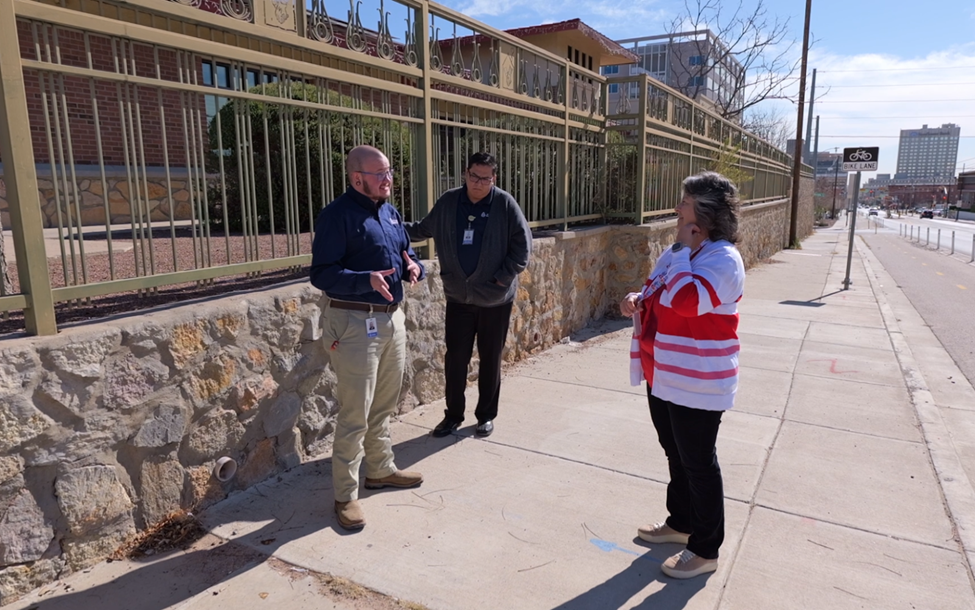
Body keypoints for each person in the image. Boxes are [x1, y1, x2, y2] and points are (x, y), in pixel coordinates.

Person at [619, 171, 745, 579]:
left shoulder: (722, 258)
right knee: (676, 453)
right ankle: (681, 522)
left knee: (698, 463)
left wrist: (679, 251)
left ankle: (705, 549)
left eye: (685, 203)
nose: (677, 209)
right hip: (666, 373)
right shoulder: (683, 251)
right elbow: (659, 289)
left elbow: (688, 302)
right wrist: (638, 298)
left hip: (698, 381)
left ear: (703, 214)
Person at [310, 145, 425, 531]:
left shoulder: (389, 212)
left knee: (384, 404)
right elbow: (322, 274)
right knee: (355, 412)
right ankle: (346, 495)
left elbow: (405, 250)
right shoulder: (336, 216)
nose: (388, 179)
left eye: (389, 171)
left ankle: (380, 469)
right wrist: (364, 280)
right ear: (357, 178)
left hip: (391, 320)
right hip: (354, 323)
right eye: (380, 174)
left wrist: (413, 265)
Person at [407, 152, 531, 438]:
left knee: (490, 359)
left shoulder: (504, 204)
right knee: (456, 358)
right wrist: (387, 228)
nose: (479, 183)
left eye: (485, 178)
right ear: (466, 173)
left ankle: (486, 415)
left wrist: (501, 278)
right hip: (459, 298)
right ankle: (452, 416)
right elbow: (423, 229)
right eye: (474, 176)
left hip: (495, 299)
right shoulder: (450, 201)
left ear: (493, 178)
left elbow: (522, 248)